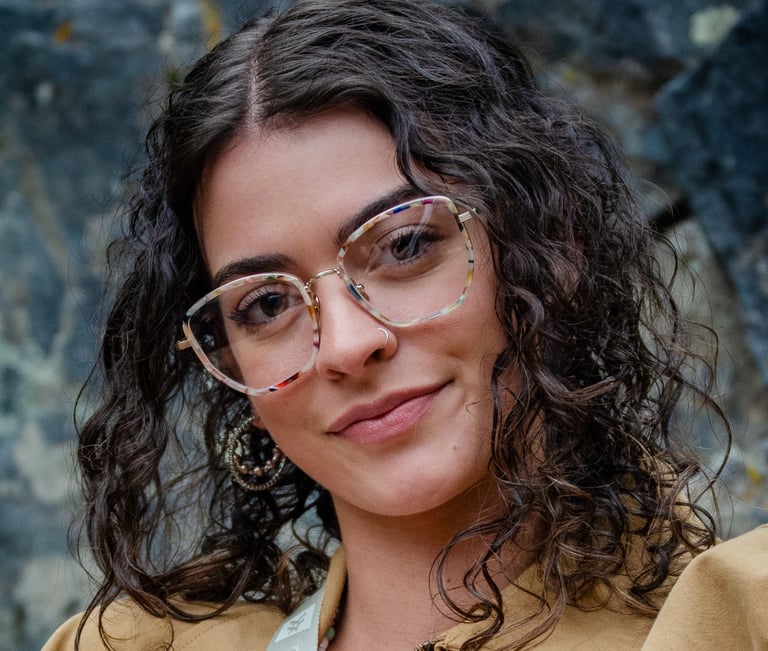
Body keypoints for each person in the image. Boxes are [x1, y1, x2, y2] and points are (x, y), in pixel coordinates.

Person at [43, 1, 728, 649]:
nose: (346, 344)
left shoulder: (732, 622)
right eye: (266, 304)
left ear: (554, 246)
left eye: (404, 245)